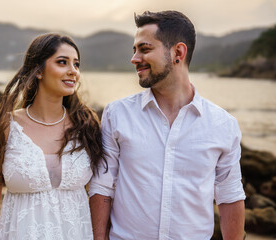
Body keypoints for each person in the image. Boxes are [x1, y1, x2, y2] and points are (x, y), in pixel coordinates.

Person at [89, 10, 246, 240]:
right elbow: (102, 187)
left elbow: (230, 196)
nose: (134, 59)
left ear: (178, 53)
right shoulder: (117, 114)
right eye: (134, 50)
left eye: (145, 49)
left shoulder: (223, 125)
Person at [0, 33, 105, 240]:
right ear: (38, 71)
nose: (73, 71)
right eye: (62, 62)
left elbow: (99, 193)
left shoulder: (87, 125)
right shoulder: (4, 126)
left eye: (76, 64)